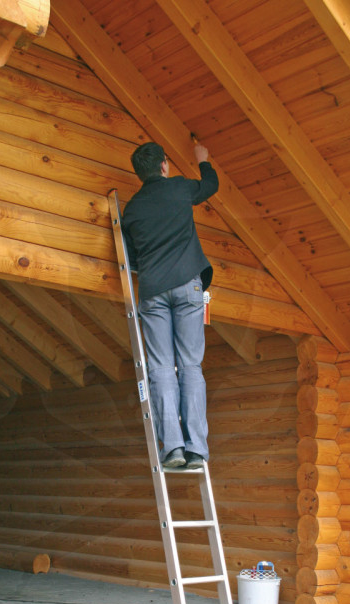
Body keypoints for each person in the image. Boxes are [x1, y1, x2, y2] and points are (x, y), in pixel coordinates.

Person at [122, 141, 219, 469]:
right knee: (190, 367)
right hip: (187, 286)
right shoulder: (178, 188)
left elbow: (132, 259)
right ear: (164, 166)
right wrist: (202, 160)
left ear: (140, 173)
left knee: (161, 368)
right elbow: (210, 186)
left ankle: (173, 448)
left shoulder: (132, 210)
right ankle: (196, 449)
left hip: (153, 291)